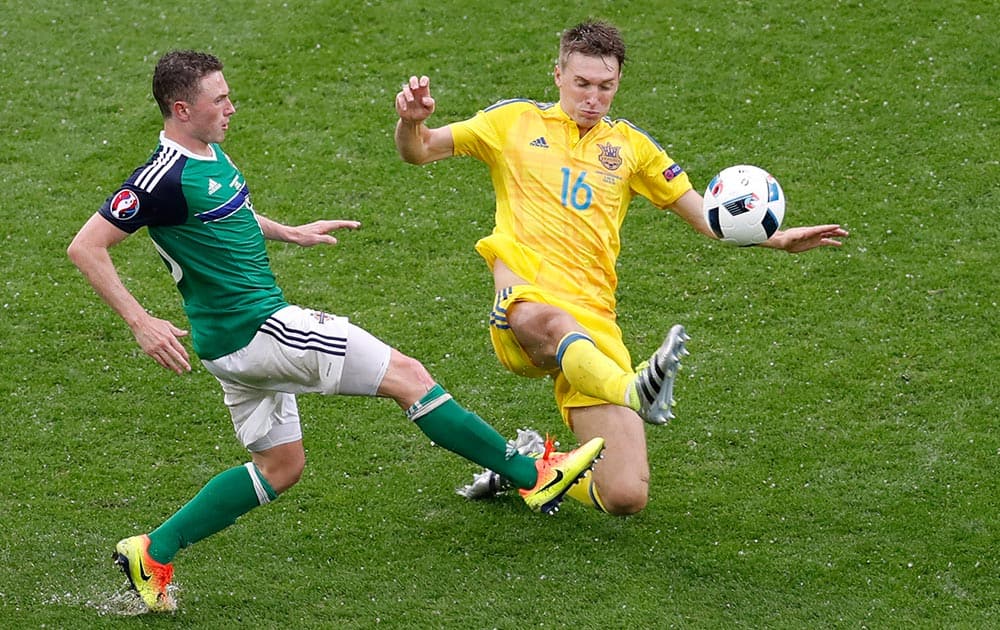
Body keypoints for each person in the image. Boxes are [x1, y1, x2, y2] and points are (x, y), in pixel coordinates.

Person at [67, 50, 605, 613]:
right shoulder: (161, 178)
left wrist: (288, 232)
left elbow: (226, 212)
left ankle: (153, 550)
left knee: (281, 467)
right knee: (409, 378)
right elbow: (87, 247)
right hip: (260, 329)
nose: (232, 106)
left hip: (229, 347)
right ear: (182, 108)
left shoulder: (207, 154)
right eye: (219, 99)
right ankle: (532, 473)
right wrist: (141, 321)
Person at [394, 20, 848, 517]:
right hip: (524, 299)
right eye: (582, 84)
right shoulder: (512, 123)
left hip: (594, 319)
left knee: (625, 496)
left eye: (605, 86)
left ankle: (529, 465)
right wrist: (411, 122)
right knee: (547, 320)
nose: (593, 97)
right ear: (558, 75)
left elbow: (706, 215)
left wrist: (778, 238)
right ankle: (634, 389)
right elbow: (419, 151)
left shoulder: (632, 148)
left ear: (618, 83)